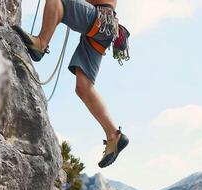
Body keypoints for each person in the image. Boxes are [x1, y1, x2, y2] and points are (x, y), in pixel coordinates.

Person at [12, 0, 129, 168]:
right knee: (83, 88)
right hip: (103, 26)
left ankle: (41, 43)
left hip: (101, 20)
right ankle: (113, 135)